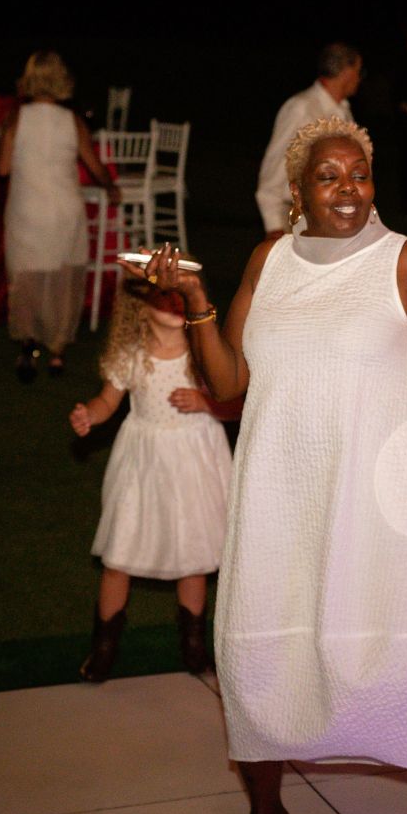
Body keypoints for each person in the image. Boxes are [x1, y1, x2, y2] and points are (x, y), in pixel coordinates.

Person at [139, 116, 407, 814]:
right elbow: (229, 384)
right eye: (328, 176)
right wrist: (194, 298)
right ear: (299, 191)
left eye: (359, 174)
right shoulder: (269, 260)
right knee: (263, 656)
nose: (348, 188)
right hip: (283, 496)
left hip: (386, 500)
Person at [68, 279, 236, 681]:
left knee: (194, 557)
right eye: (164, 296)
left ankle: (194, 646)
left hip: (194, 462)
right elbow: (108, 401)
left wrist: (205, 402)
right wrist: (90, 415)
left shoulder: (203, 353)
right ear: (141, 306)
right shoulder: (131, 354)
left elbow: (234, 402)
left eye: (180, 296)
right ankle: (104, 646)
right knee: (120, 553)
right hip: (143, 463)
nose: (175, 303)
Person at [0, 51, 120, 379]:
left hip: (27, 210)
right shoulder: (73, 121)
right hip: (65, 210)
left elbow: (2, 168)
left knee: (26, 279)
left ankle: (28, 344)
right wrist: (110, 186)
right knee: (64, 281)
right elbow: (94, 164)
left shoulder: (17, 118)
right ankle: (58, 352)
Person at [253, 43, 361, 237]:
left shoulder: (343, 110)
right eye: (359, 71)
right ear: (346, 71)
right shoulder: (302, 109)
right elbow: (273, 171)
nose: (359, 78)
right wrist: (274, 228)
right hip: (299, 220)